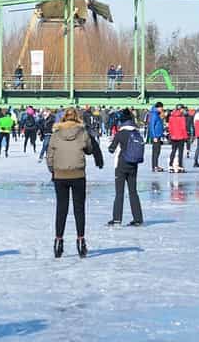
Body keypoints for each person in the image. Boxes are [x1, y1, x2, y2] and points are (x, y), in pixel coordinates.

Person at [47, 107, 103, 258]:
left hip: (60, 175)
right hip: (78, 174)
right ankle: (80, 240)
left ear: (64, 118)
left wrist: (53, 170)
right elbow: (90, 149)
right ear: (77, 117)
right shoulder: (82, 132)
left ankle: (58, 241)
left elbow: (50, 155)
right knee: (79, 209)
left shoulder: (56, 134)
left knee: (61, 208)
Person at [106, 109, 144, 227]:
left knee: (119, 192)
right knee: (133, 192)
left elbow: (111, 149)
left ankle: (117, 218)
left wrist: (113, 142)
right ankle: (138, 218)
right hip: (133, 165)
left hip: (121, 165)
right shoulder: (136, 132)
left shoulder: (120, 133)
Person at [167, 105, 188, 172]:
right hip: (181, 137)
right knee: (180, 152)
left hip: (173, 137)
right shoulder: (182, 118)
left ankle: (170, 165)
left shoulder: (171, 117)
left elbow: (170, 128)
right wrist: (186, 137)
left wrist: (171, 135)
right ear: (181, 109)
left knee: (173, 151)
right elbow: (183, 128)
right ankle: (180, 165)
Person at [147, 102, 165, 172]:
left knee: (157, 151)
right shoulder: (154, 114)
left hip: (158, 135)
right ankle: (155, 166)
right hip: (156, 136)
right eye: (161, 108)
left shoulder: (156, 114)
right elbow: (151, 126)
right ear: (158, 107)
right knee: (156, 152)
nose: (162, 109)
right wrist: (154, 136)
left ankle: (155, 165)